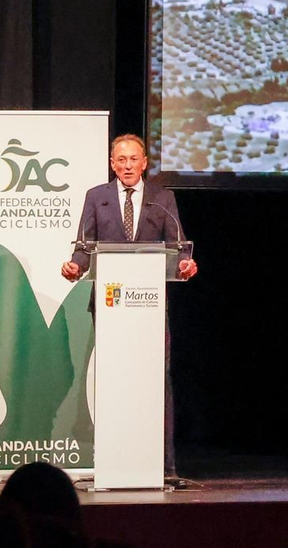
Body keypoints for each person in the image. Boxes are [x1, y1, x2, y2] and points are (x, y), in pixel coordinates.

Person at [60, 133, 194, 478]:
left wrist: (184, 263)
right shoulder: (97, 197)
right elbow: (84, 245)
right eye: (121, 160)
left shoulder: (162, 198)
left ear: (145, 163)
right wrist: (75, 265)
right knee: (113, 379)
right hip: (109, 305)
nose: (127, 165)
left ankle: (164, 465)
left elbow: (178, 246)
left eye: (133, 159)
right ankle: (114, 461)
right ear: (112, 163)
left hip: (148, 307)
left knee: (156, 381)